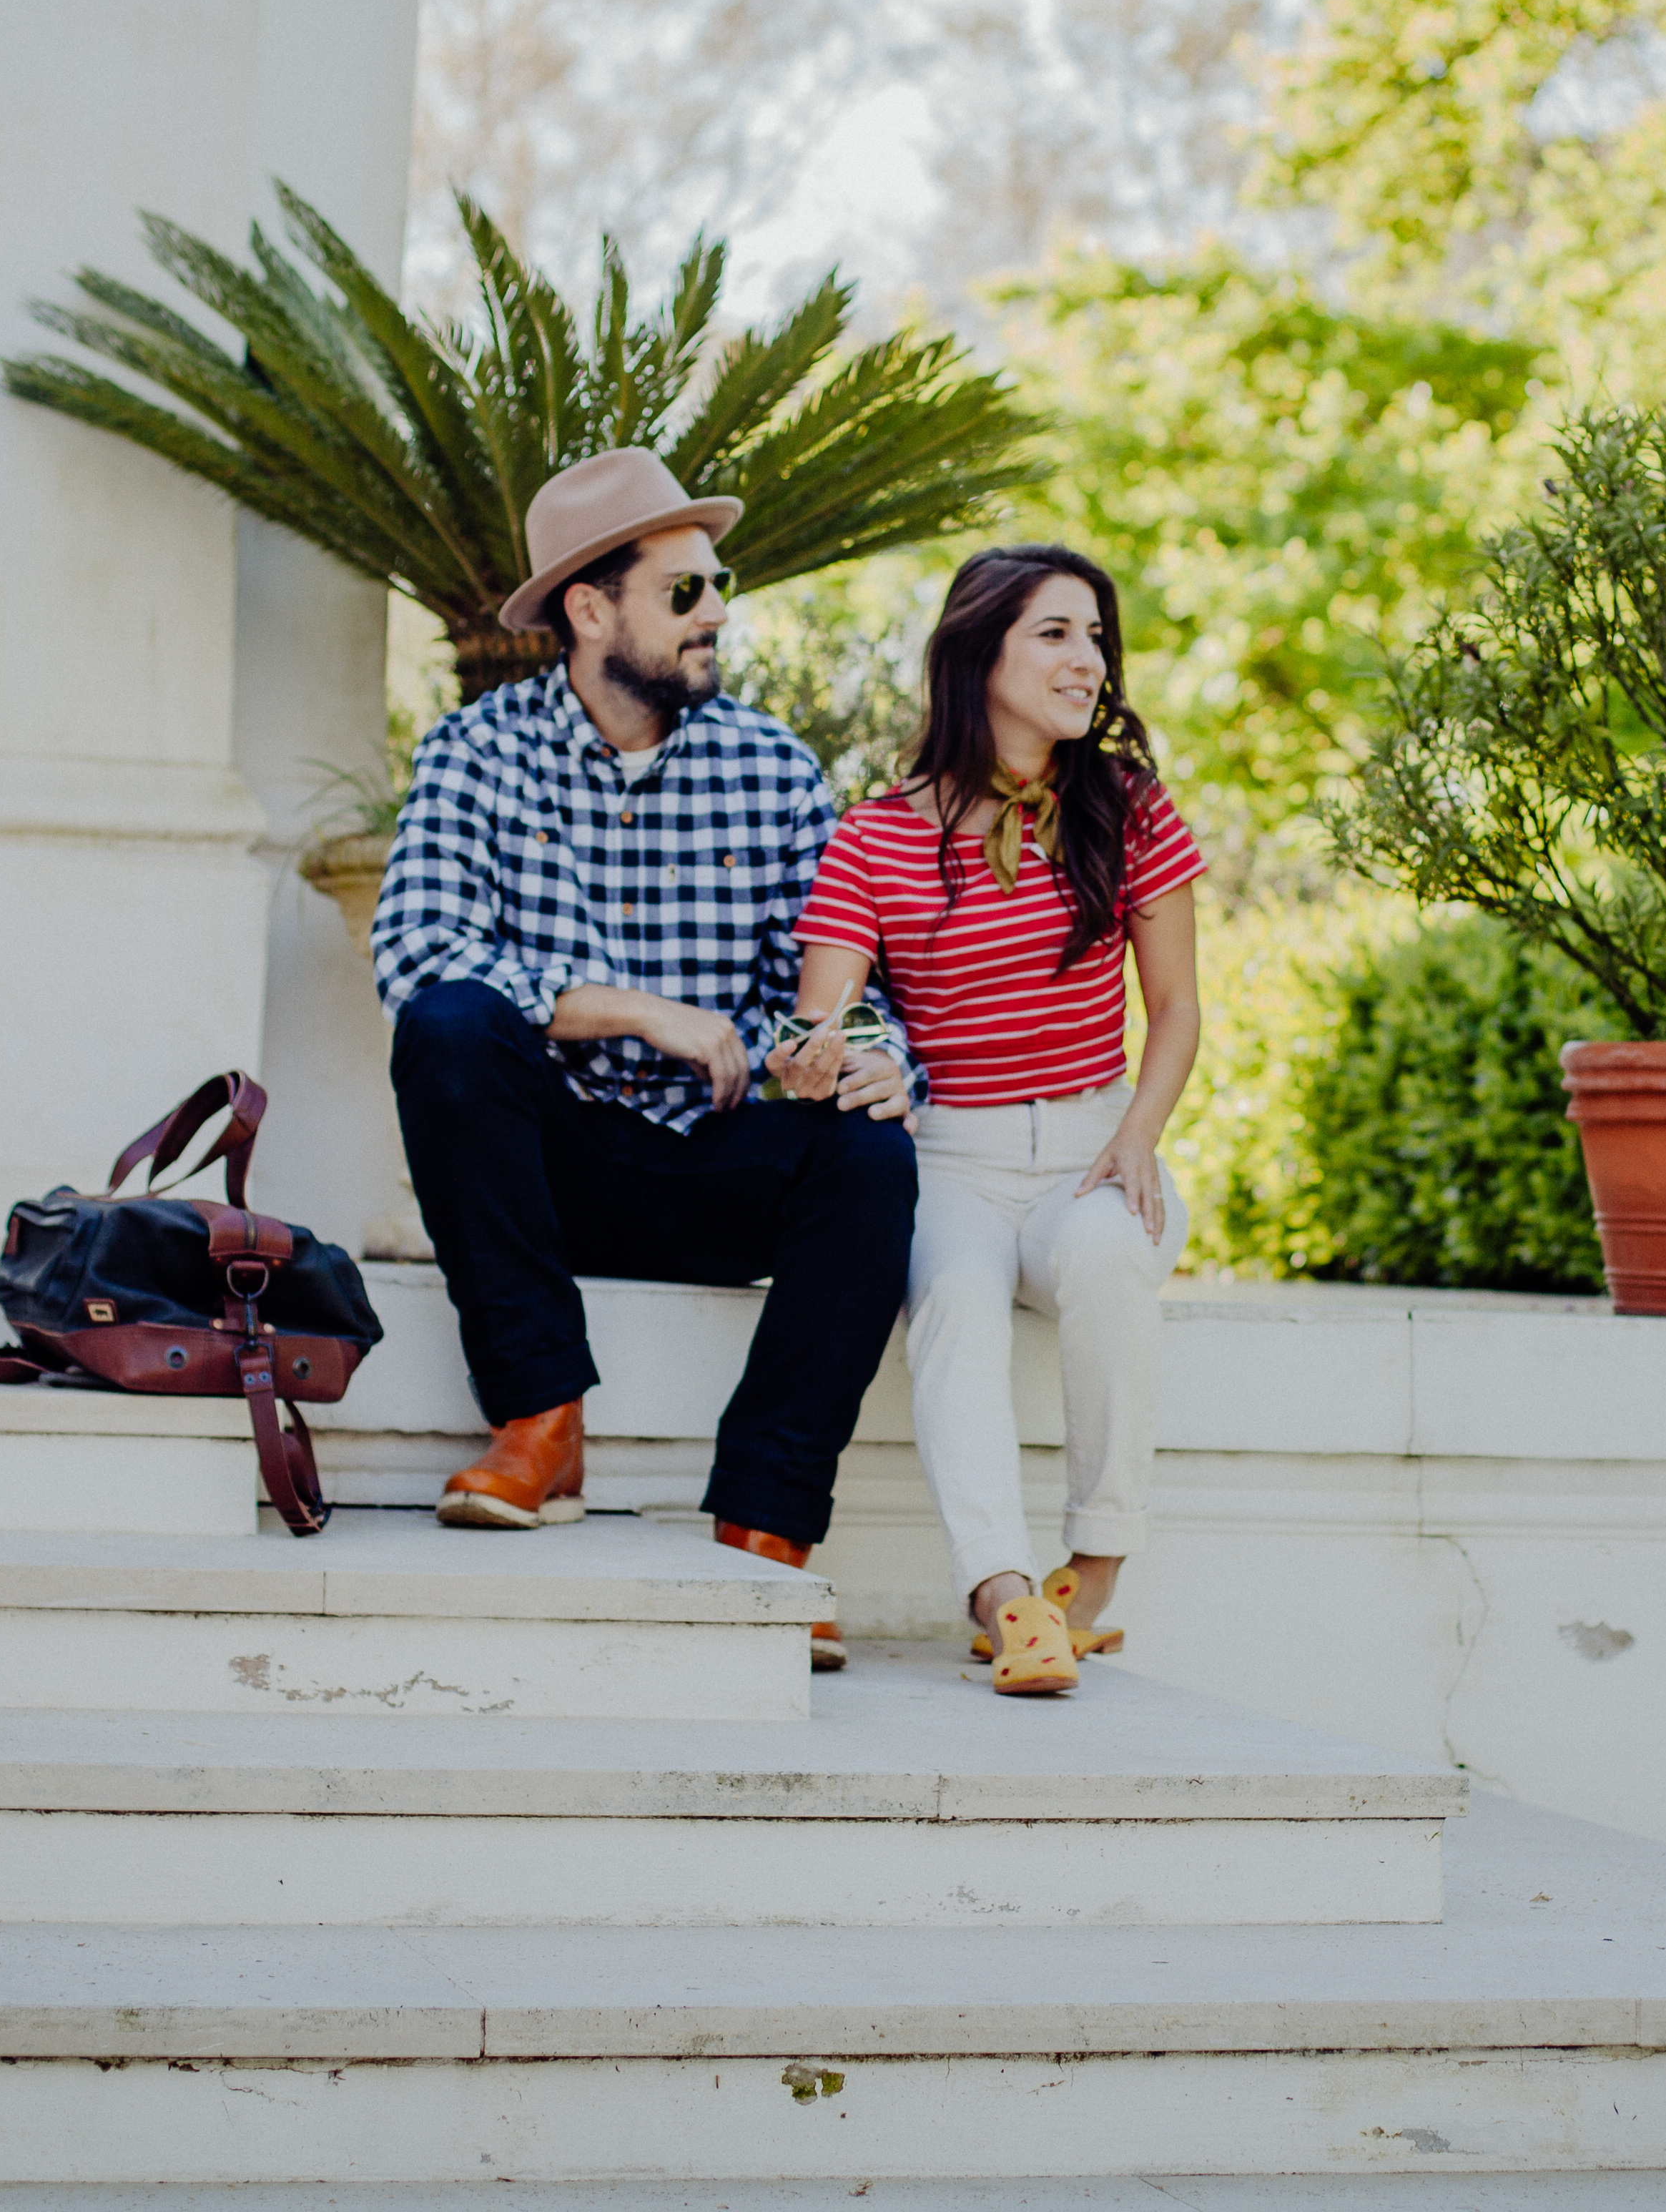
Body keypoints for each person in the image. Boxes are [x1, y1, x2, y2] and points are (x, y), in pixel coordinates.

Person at [373, 448, 916, 1672]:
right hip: (543, 1173)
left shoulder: (772, 769)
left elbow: (819, 996)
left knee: (868, 1156)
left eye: (721, 585)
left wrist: (858, 1060)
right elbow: (416, 951)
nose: (718, 611)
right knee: (449, 1026)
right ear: (590, 609)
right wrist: (628, 1008)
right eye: (687, 591)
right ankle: (539, 1424)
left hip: (707, 1165)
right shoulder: (476, 752)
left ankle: (765, 1540)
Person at [778, 544, 1203, 1698]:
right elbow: (834, 1014)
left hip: (1095, 1138)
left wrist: (1137, 1135)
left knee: (1112, 1258)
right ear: (980, 656)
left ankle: (1096, 1573)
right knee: (956, 1306)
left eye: (1096, 635)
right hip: (952, 1158)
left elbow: (1175, 1011)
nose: (1089, 659)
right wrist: (825, 1056)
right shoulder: (874, 837)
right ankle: (1007, 1603)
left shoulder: (1130, 807)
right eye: (1056, 634)